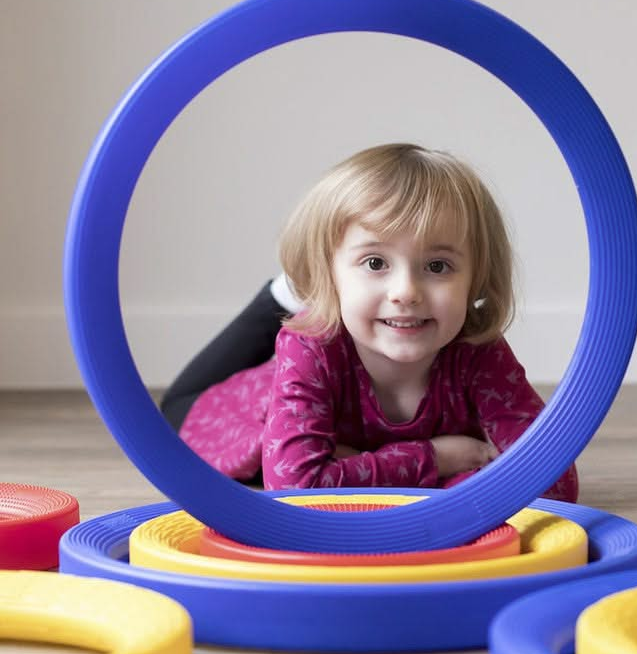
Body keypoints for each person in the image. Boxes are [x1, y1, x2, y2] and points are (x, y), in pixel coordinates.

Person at [161, 143, 578, 500]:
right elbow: (296, 488)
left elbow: (553, 482)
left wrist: (358, 466)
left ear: (477, 279)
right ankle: (292, 290)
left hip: (332, 383)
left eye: (437, 265)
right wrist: (438, 459)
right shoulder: (310, 347)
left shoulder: (477, 349)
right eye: (376, 262)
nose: (406, 291)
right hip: (235, 408)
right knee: (173, 408)